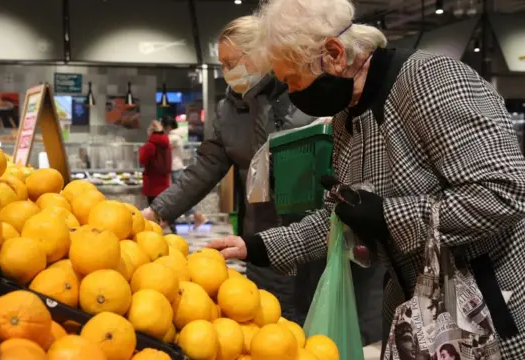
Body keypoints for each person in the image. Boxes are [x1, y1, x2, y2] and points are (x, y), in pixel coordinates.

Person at [209, 0, 525, 356]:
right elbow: (339, 217)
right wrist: (257, 246)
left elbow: (503, 192)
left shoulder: (430, 80)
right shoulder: (347, 118)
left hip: (486, 317)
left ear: (333, 53)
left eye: (294, 81)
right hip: (418, 319)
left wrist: (387, 216)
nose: (295, 97)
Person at [142, 15, 315, 322]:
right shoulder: (229, 109)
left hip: (312, 235)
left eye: (231, 62)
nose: (226, 73)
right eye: (222, 65)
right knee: (265, 320)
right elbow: (205, 167)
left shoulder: (303, 93)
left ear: (263, 53)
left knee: (312, 326)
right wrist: (157, 212)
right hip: (259, 235)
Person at [161, 117, 207, 229]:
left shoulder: (173, 138)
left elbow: (162, 146)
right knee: (179, 197)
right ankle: (196, 216)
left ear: (167, 127)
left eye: (162, 126)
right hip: (175, 169)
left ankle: (198, 216)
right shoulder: (176, 137)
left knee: (180, 197)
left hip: (175, 169)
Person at [139, 120, 171, 207]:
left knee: (153, 213)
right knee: (162, 212)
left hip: (152, 185)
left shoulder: (150, 145)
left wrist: (142, 148)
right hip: (164, 183)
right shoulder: (166, 143)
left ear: (151, 131)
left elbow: (141, 159)